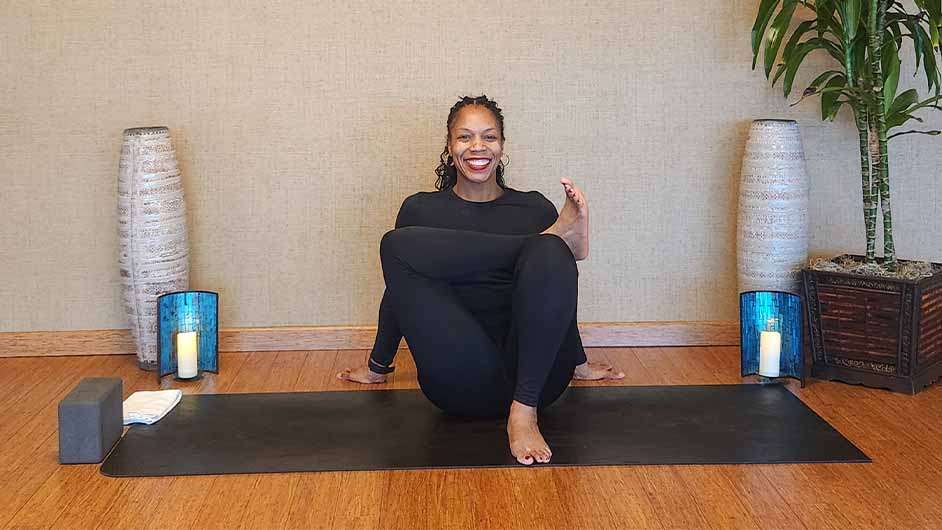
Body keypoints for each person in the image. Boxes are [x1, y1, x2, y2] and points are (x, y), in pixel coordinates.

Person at [338, 95, 623, 465]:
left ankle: (522, 415)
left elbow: (555, 297)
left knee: (551, 254)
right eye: (465, 137)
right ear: (449, 146)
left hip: (536, 380)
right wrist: (378, 365)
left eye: (489, 137)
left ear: (502, 146)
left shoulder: (534, 207)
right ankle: (541, 242)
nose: (477, 147)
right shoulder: (421, 210)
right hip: (458, 379)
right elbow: (401, 294)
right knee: (396, 247)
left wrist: (578, 363)